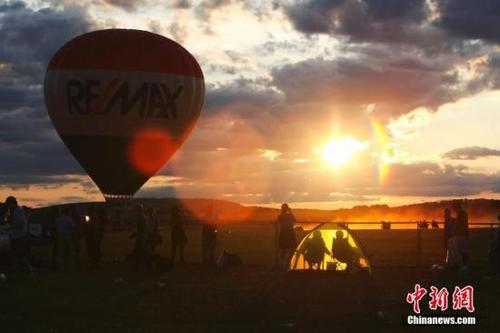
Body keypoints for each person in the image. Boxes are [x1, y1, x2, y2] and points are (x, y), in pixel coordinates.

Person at [4, 196, 35, 280]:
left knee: (20, 256)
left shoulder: (19, 211)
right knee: (15, 256)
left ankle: (31, 273)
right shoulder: (13, 211)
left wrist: (10, 227)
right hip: (16, 236)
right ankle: (18, 274)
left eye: (8, 204)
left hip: (20, 237)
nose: (8, 206)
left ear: (12, 203)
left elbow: (21, 224)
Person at [130, 204, 153, 271]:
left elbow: (140, 229)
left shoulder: (140, 217)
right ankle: (136, 266)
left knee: (143, 252)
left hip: (141, 238)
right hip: (142, 237)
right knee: (139, 252)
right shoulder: (142, 217)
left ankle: (149, 266)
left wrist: (134, 234)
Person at [54, 206, 76, 270]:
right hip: (68, 236)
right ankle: (69, 266)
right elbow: (73, 227)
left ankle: (62, 266)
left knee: (61, 252)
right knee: (69, 252)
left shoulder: (58, 219)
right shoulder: (69, 219)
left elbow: (56, 228)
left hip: (60, 236)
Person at [277, 203, 296, 269]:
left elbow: (279, 222)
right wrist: (290, 212)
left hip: (283, 234)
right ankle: (288, 264)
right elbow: (294, 220)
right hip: (289, 233)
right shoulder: (289, 215)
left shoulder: (279, 216)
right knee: (290, 249)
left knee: (283, 250)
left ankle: (282, 264)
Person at [453, 200, 469, 266]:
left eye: (454, 207)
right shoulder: (463, 213)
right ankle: (464, 265)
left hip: (461, 234)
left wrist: (455, 229)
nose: (454, 209)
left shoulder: (461, 213)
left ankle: (463, 265)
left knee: (461, 251)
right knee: (462, 250)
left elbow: (459, 224)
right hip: (462, 234)